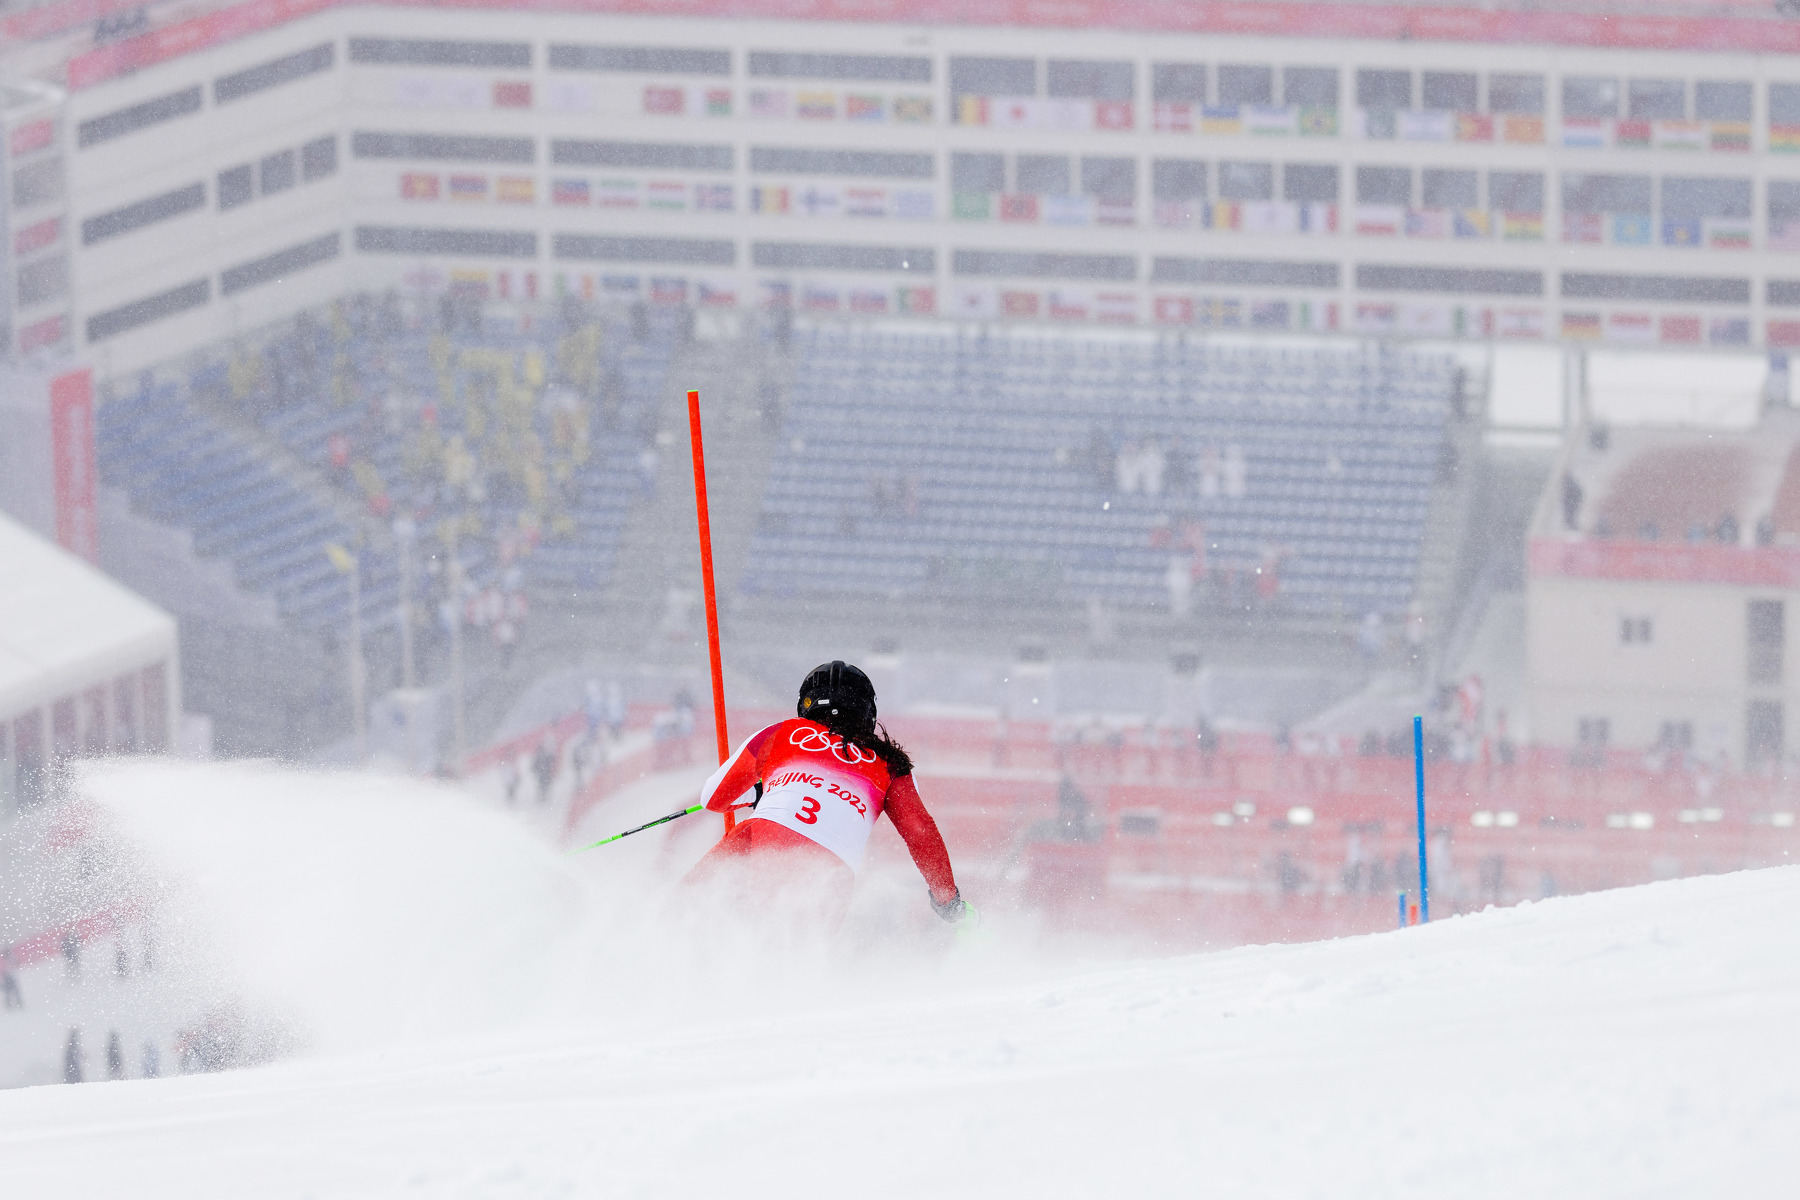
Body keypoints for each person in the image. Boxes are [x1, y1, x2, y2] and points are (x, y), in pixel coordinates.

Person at [683, 661, 968, 928]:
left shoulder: (786, 730)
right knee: (795, 952)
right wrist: (948, 901)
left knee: (687, 911)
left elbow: (712, 799)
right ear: (867, 711)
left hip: (763, 835)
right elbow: (921, 833)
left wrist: (760, 793)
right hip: (832, 871)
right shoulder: (891, 763)